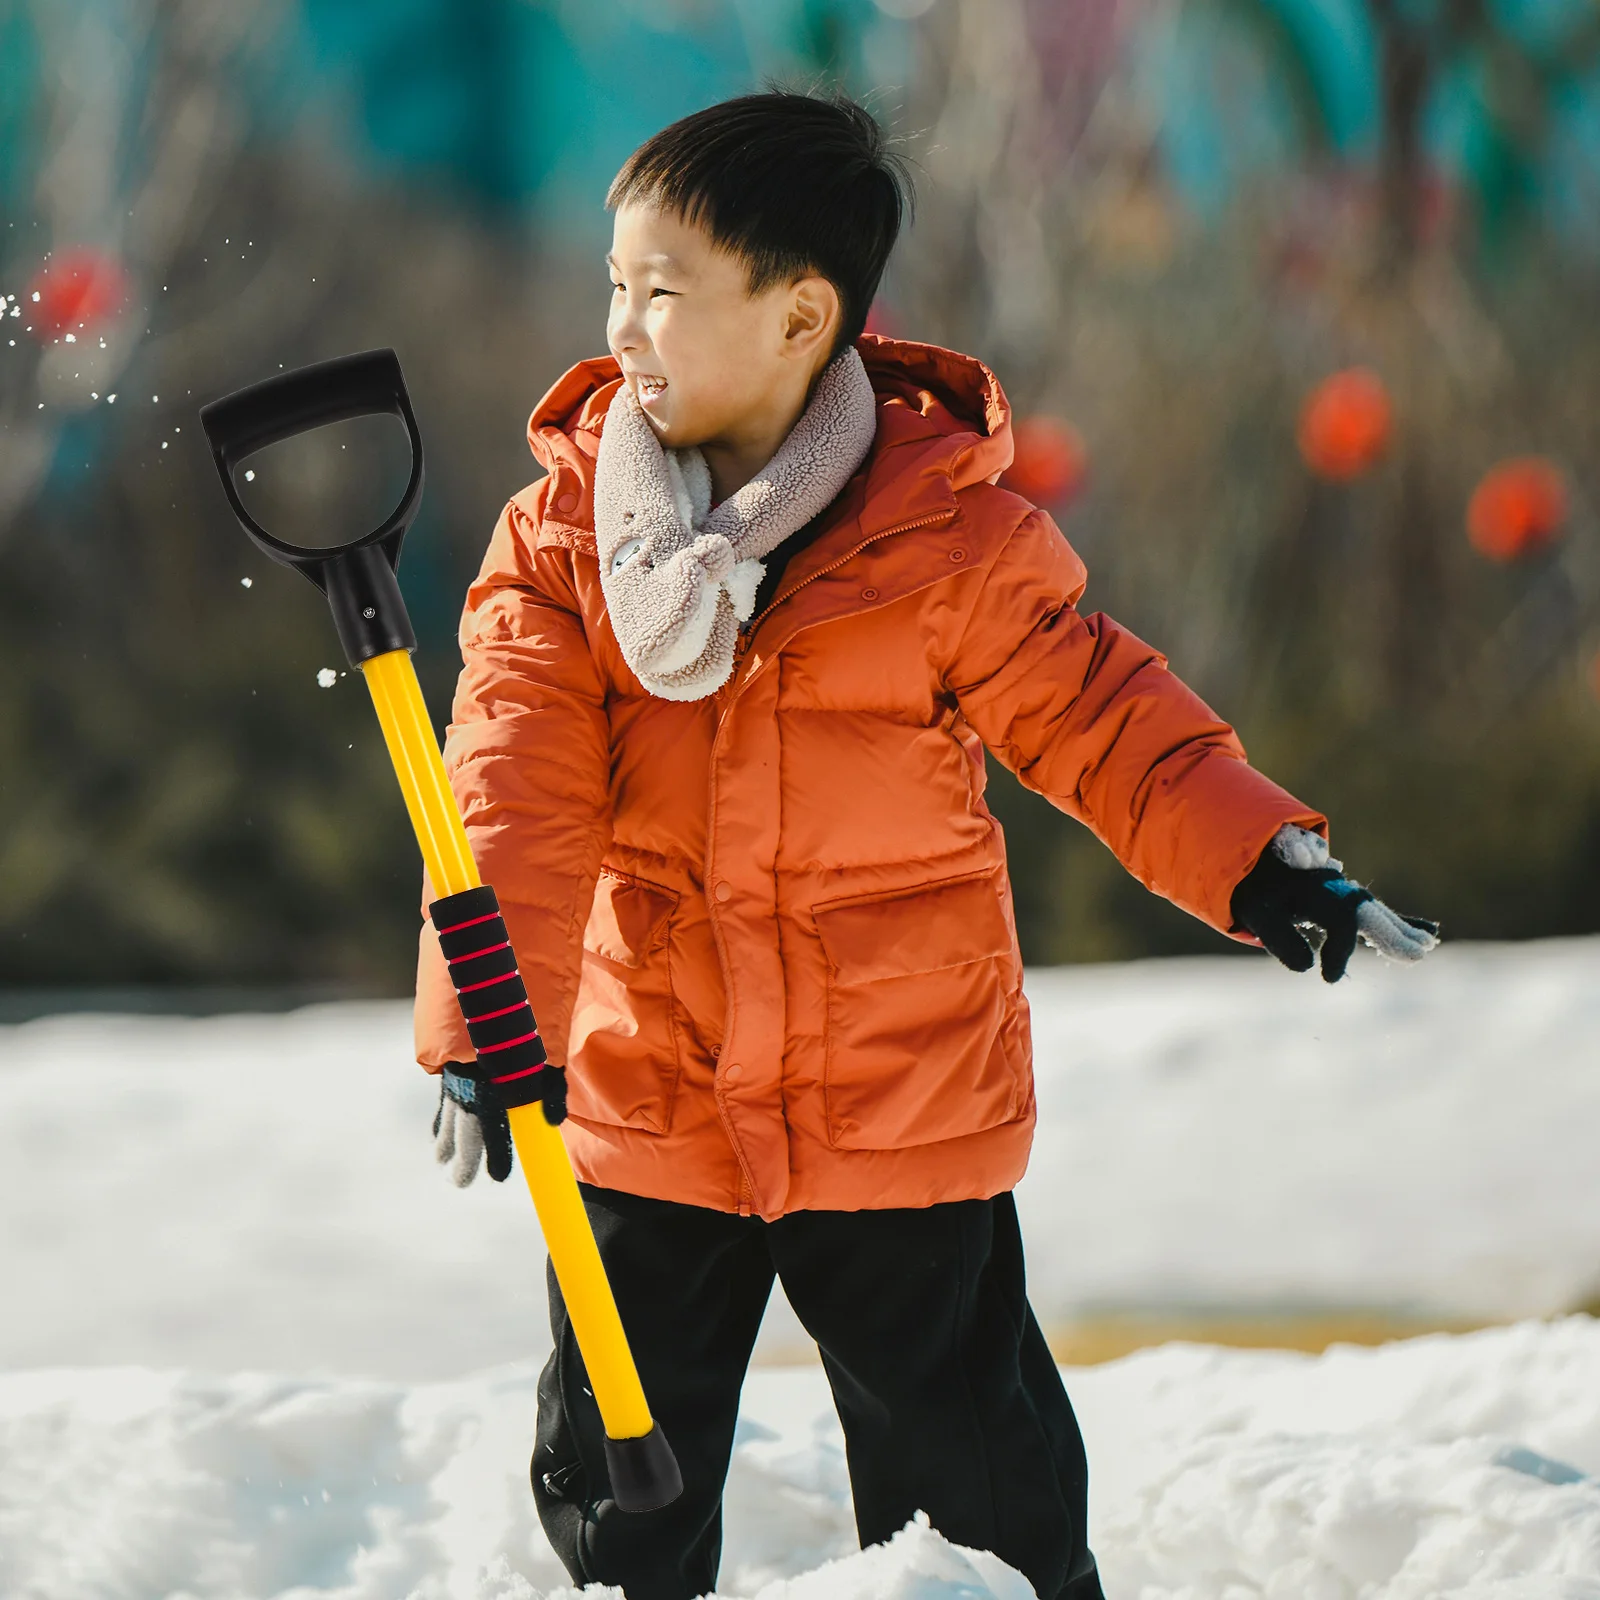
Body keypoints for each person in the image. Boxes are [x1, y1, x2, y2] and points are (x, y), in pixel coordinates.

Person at [414, 90, 1438, 1600]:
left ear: (799, 315)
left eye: (661, 294)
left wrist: (1261, 857)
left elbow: (1103, 716)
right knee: (621, 1476)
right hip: (655, 1085)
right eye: (612, 287)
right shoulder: (564, 541)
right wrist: (485, 1022)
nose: (619, 329)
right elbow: (512, 795)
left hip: (895, 1091)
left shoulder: (944, 539)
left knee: (975, 1478)